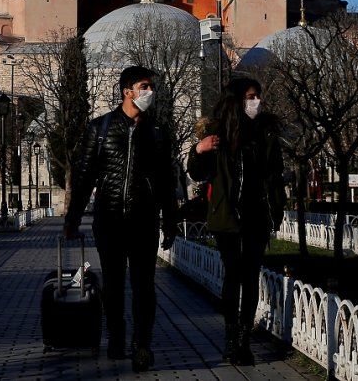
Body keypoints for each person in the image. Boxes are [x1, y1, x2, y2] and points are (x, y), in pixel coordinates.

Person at [64, 65, 180, 372]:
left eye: (151, 87)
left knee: (145, 285)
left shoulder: (157, 133)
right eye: (144, 87)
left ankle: (142, 344)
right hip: (110, 219)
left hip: (144, 220)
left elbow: (168, 182)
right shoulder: (100, 128)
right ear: (127, 91)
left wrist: (170, 221)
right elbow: (85, 175)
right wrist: (72, 219)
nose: (149, 93)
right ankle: (116, 336)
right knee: (113, 285)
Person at [188, 77, 286, 365]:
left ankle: (244, 339)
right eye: (250, 97)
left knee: (250, 277)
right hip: (226, 217)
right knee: (233, 275)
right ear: (236, 101)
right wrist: (198, 150)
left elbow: (275, 175)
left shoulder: (265, 133)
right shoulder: (217, 133)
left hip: (256, 215)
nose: (255, 102)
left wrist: (276, 210)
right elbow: (198, 173)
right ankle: (232, 336)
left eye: (257, 96)